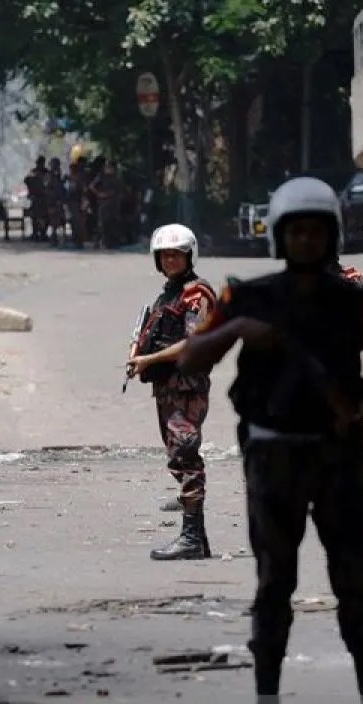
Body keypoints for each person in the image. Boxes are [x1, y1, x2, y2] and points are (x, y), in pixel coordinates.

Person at [177, 176, 363, 704]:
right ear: (280, 237)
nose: (306, 241)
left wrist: (360, 409)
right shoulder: (245, 298)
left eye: (316, 232)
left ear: (331, 236)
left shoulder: (356, 301)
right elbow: (191, 356)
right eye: (297, 232)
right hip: (273, 455)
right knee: (274, 585)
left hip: (337, 455)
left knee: (355, 587)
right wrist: (238, 329)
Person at [126, 224, 216, 560]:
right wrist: (138, 356)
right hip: (167, 388)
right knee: (177, 456)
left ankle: (191, 538)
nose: (170, 260)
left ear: (189, 256)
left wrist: (148, 359)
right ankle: (198, 540)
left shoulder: (196, 294)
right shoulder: (168, 296)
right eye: (164, 256)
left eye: (176, 255)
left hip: (186, 388)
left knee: (186, 456)